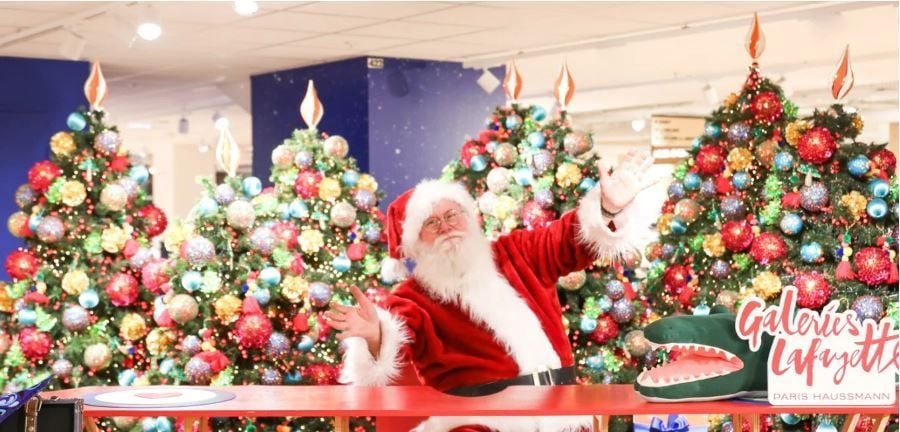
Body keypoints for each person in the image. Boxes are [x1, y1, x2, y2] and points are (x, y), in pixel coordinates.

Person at [327, 151, 658, 432]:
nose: (446, 227)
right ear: (415, 243)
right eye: (431, 223)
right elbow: (395, 343)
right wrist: (375, 338)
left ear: (468, 217)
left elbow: (567, 240)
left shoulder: (519, 252)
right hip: (479, 423)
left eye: (451, 215)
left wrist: (608, 209)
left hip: (561, 415)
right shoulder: (412, 297)